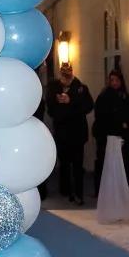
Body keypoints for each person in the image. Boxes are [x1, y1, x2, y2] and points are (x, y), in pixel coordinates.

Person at [46, 62, 93, 204]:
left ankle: (78, 193)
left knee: (78, 164)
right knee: (64, 163)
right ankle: (65, 190)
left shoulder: (81, 88)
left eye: (68, 75)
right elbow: (51, 109)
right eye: (63, 75)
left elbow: (88, 106)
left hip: (77, 133)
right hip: (62, 131)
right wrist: (59, 103)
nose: (65, 78)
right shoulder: (54, 87)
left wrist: (70, 101)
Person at [93, 67, 129, 194]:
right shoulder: (104, 96)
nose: (114, 83)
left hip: (122, 136)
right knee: (107, 164)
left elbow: (128, 115)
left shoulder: (126, 97)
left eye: (117, 80)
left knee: (123, 164)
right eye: (112, 80)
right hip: (108, 135)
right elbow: (101, 116)